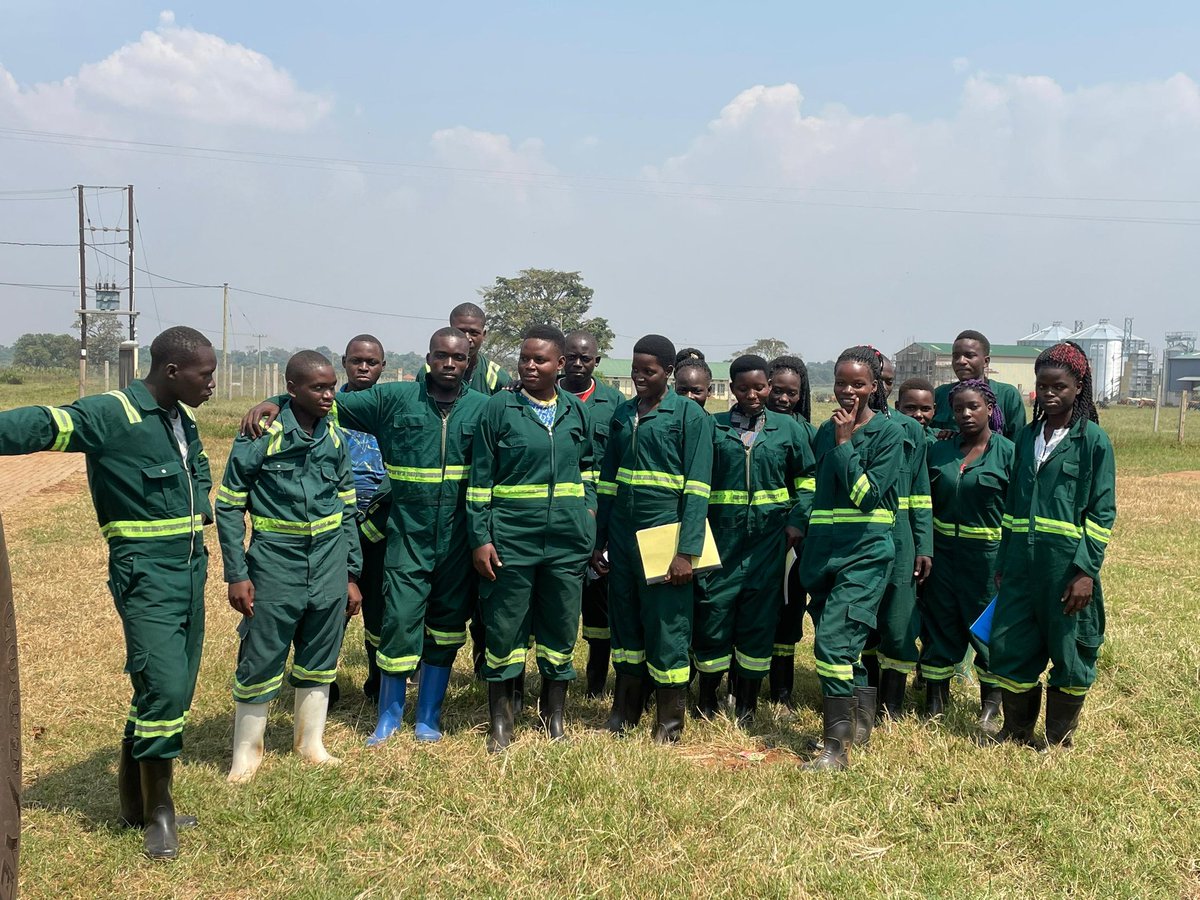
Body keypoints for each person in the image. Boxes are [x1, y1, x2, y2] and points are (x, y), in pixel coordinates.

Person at [0, 326, 216, 860]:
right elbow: (40, 425)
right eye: (204, 374)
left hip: (191, 573)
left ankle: (134, 806)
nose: (212, 383)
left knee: (172, 690)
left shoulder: (181, 417)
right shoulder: (111, 413)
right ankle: (159, 813)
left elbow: (200, 476)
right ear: (171, 372)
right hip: (146, 575)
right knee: (163, 689)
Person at [240, 328, 488, 746]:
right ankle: (388, 717)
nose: (449, 364)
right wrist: (278, 402)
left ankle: (428, 716)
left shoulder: (486, 408)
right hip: (406, 534)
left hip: (457, 540)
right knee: (398, 620)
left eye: (458, 358)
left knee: (446, 627)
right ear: (428, 357)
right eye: (441, 356)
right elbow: (325, 402)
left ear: (469, 361)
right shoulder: (393, 399)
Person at [219, 351, 362, 783]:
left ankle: (310, 742)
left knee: (321, 652)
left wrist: (352, 575)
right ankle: (247, 753)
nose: (328, 395)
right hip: (275, 563)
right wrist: (237, 572)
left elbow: (348, 505)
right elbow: (228, 506)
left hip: (329, 562)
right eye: (318, 387)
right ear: (292, 387)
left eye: (331, 386)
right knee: (262, 653)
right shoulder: (261, 432)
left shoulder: (334, 436)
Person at [468, 325, 596, 752]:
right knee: (504, 628)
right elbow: (479, 480)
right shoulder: (498, 408)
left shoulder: (575, 412)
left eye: (539, 360)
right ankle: (500, 721)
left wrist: (588, 514)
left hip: (566, 542)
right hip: (511, 540)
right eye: (524, 358)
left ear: (560, 365)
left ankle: (552, 716)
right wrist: (480, 537)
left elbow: (589, 469)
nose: (529, 365)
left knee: (561, 627)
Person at [989, 342, 1115, 748]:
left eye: (1058, 386)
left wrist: (1085, 572)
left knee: (1071, 649)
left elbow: (1102, 512)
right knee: (1012, 642)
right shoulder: (1026, 437)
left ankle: (1059, 740)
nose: (1049, 394)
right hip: (1021, 565)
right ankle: (1016, 733)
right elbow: (1011, 506)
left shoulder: (1093, 440)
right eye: (1042, 386)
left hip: (1065, 568)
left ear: (1079, 387)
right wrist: (1004, 560)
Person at [594, 335, 714, 743]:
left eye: (650, 371)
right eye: (636, 369)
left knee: (668, 628)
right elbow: (608, 484)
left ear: (668, 372)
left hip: (666, 537)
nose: (641, 377)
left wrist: (687, 553)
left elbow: (698, 490)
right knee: (625, 625)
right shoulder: (623, 413)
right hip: (624, 539)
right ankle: (624, 711)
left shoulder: (689, 417)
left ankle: (669, 722)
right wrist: (600, 540)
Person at [693, 356, 814, 726]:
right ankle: (708, 699)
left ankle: (747, 704)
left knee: (758, 621)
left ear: (770, 387)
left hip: (768, 545)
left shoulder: (788, 430)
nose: (753, 394)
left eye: (760, 387)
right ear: (731, 389)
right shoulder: (711, 428)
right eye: (743, 388)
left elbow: (807, 481)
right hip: (720, 544)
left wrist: (797, 521)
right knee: (713, 615)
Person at [799, 346, 903, 771]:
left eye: (857, 384)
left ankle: (834, 749)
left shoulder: (889, 434)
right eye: (841, 382)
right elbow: (814, 489)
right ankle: (859, 726)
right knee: (846, 648)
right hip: (823, 555)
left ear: (874, 387)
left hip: (865, 553)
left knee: (832, 646)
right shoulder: (825, 431)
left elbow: (866, 497)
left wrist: (845, 446)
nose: (847, 391)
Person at [921, 380, 1014, 732]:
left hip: (987, 559)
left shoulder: (1008, 453)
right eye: (959, 408)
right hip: (941, 556)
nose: (965, 414)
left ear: (989, 408)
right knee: (940, 624)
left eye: (973, 406)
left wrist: (1009, 561)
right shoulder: (940, 451)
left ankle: (990, 706)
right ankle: (934, 701)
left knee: (987, 630)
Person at [864, 356, 933, 718]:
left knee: (898, 623)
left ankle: (891, 707)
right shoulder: (841, 428)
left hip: (902, 539)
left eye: (889, 381)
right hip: (860, 540)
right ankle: (865, 700)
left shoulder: (911, 430)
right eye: (879, 380)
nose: (884, 387)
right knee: (863, 622)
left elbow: (921, 495)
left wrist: (924, 546)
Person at [559, 329, 626, 697]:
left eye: (586, 358)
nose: (579, 364)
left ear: (596, 362)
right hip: (561, 516)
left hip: (602, 517)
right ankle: (556, 682)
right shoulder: (544, 398)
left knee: (600, 611)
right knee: (561, 606)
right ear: (562, 358)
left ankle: (596, 684)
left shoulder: (615, 403)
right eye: (572, 357)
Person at [764, 355, 817, 707]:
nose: (783, 399)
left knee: (788, 609)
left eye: (792, 393)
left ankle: (782, 691)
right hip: (756, 535)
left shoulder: (809, 433)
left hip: (793, 539)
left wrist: (797, 521)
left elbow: (811, 485)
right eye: (778, 391)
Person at [339, 335, 389, 701]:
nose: (363, 368)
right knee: (333, 607)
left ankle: (376, 678)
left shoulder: (392, 409)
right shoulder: (328, 407)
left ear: (382, 367)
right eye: (357, 361)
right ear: (345, 362)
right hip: (338, 528)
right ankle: (322, 682)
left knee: (378, 608)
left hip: (381, 528)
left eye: (371, 362)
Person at [930, 330, 1027, 441]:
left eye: (969, 356)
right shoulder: (939, 394)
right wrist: (939, 433)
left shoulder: (1008, 395)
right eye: (955, 356)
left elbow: (1018, 442)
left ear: (986, 362)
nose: (961, 361)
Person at [417, 302, 511, 396]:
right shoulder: (428, 371)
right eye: (460, 331)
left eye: (474, 333)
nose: (467, 338)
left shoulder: (497, 377)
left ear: (484, 335)